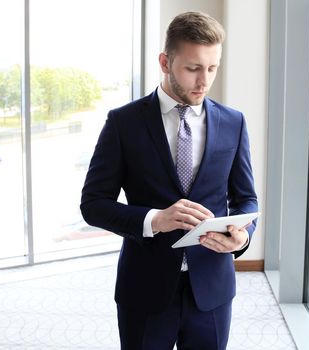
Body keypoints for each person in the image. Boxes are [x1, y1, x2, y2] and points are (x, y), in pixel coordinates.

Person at [80, 11, 258, 350]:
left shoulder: (234, 122)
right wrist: (154, 220)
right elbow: (93, 205)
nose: (204, 81)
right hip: (144, 288)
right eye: (193, 68)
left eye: (212, 68)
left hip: (213, 289)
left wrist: (243, 237)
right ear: (165, 61)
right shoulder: (123, 123)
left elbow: (247, 199)